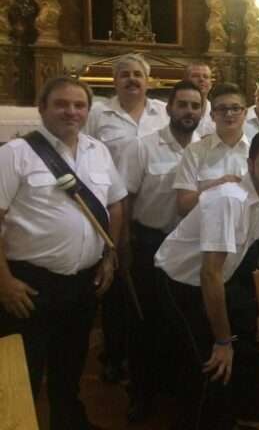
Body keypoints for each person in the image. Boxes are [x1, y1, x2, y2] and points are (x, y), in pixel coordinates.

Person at [0, 76, 126, 429]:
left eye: (79, 105)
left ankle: (67, 422)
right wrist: (4, 281)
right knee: (22, 372)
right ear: (42, 108)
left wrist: (109, 256)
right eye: (61, 104)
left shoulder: (97, 151)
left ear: (88, 110)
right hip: (29, 284)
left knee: (69, 365)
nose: (71, 112)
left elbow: (115, 205)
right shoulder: (15, 154)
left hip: (82, 282)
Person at [155, 131, 259, 430]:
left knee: (243, 349)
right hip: (179, 283)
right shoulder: (227, 199)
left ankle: (224, 419)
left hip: (217, 281)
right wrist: (222, 340)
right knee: (210, 362)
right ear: (250, 162)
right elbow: (210, 273)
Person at [117, 80, 203, 423]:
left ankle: (175, 391)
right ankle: (142, 394)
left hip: (192, 247)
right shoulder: (143, 147)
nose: (188, 112)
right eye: (182, 105)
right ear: (168, 108)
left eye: (195, 106)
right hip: (151, 242)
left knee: (182, 322)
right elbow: (125, 198)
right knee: (146, 323)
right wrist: (122, 245)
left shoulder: (206, 148)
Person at [87, 52, 166, 382]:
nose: (132, 79)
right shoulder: (98, 113)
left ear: (148, 81)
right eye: (125, 75)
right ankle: (114, 354)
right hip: (111, 210)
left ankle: (147, 353)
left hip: (151, 210)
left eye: (138, 74)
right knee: (115, 286)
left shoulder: (163, 112)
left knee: (148, 286)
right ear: (115, 81)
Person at [174, 82, 250, 216]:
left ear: (245, 113)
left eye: (235, 108)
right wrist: (218, 186)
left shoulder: (256, 153)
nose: (229, 114)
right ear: (212, 115)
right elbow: (183, 206)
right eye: (222, 109)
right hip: (201, 233)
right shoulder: (194, 151)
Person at [185, 61, 215, 137]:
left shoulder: (218, 111)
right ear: (185, 81)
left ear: (210, 84)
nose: (201, 79)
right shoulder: (173, 111)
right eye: (195, 76)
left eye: (206, 77)